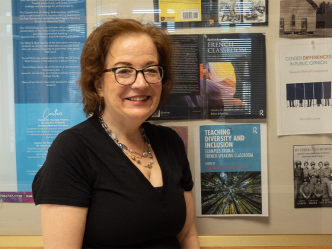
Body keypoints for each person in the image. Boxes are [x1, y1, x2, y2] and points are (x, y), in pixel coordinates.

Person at [32, 18, 200, 249]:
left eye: (151, 70)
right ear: (98, 84)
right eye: (124, 71)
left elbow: (188, 236)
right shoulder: (73, 149)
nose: (141, 83)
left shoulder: (170, 142)